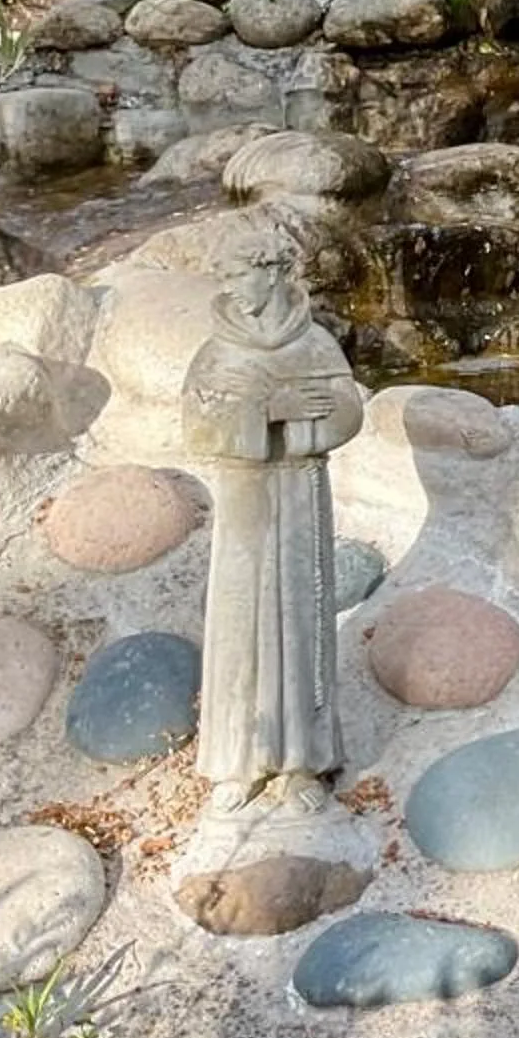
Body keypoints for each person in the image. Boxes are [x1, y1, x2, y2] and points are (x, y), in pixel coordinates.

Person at [180, 246, 363, 811]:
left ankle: (301, 766)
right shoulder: (217, 353)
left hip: (301, 493)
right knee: (240, 623)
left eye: (240, 272)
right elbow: (198, 427)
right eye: (226, 273)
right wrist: (267, 411)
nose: (231, 285)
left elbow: (347, 413)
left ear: (275, 272)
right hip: (245, 502)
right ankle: (238, 760)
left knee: (301, 621)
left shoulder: (315, 346)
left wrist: (306, 428)